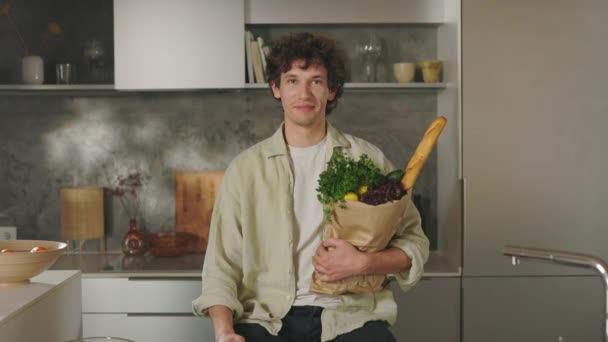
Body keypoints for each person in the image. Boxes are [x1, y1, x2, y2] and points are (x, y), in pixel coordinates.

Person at [193, 32, 430, 342]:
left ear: (331, 90)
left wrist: (364, 263)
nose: (303, 93)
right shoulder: (245, 169)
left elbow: (415, 242)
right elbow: (220, 268)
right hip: (266, 320)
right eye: (292, 80)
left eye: (316, 81)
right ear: (276, 88)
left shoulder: (368, 159)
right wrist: (224, 332)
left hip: (348, 316)